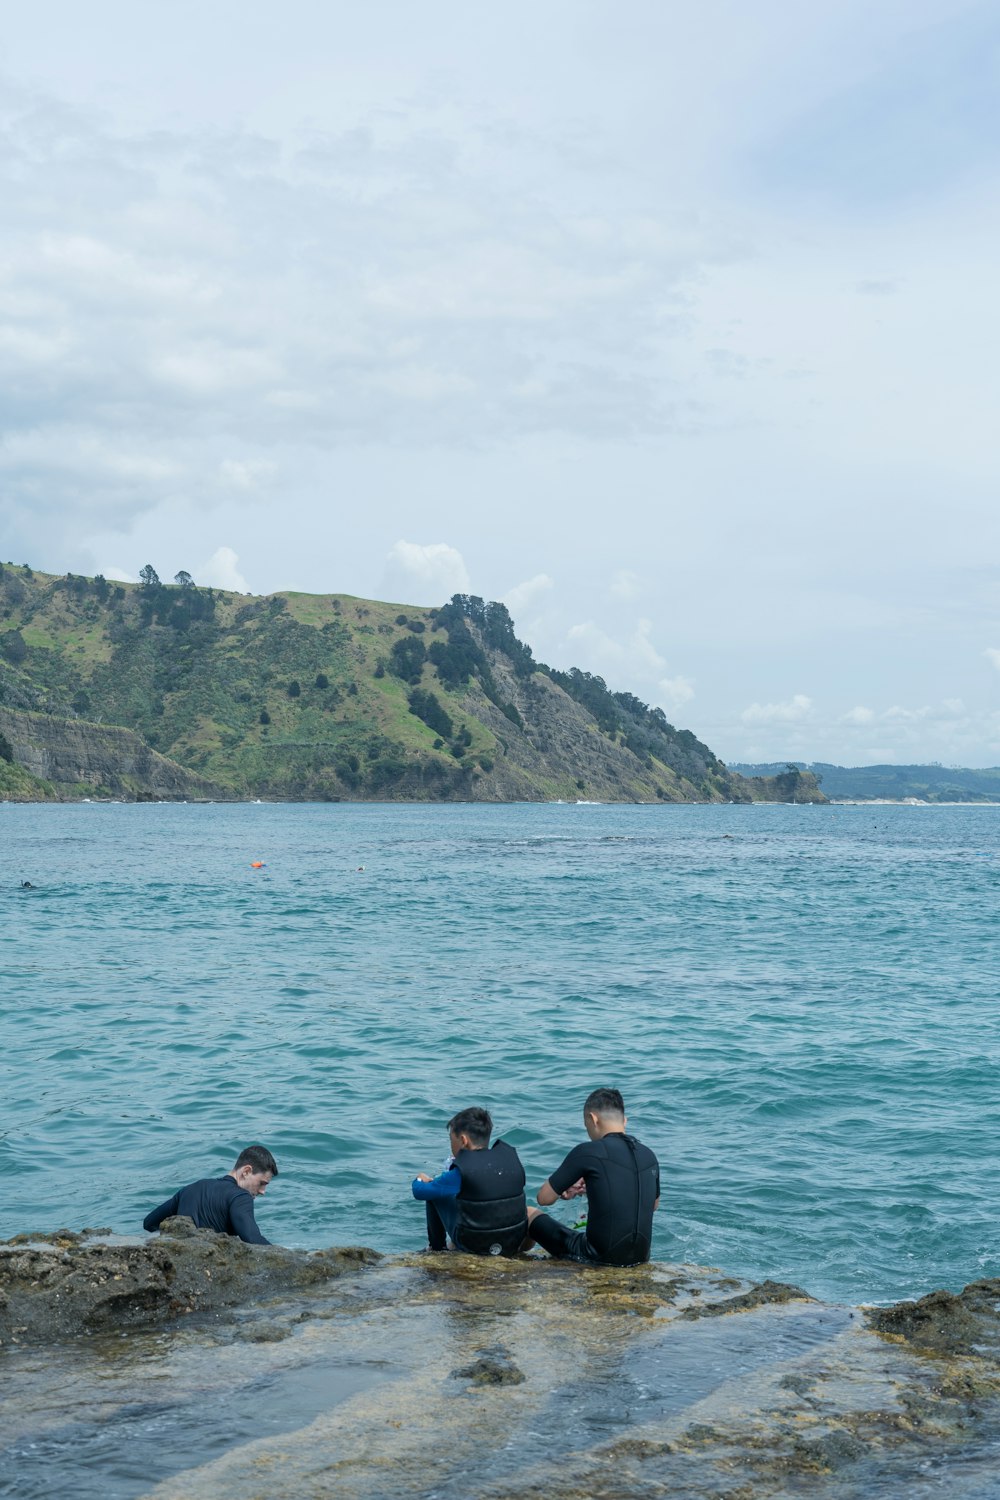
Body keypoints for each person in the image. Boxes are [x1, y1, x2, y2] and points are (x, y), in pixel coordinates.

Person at [528, 1088, 659, 1266]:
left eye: (586, 1125)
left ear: (593, 1119)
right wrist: (594, 1188)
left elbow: (544, 1198)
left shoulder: (588, 1151)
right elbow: (652, 1205)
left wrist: (565, 1190)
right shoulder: (649, 1155)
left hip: (595, 1256)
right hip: (640, 1258)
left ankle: (518, 1261)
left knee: (528, 1214)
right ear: (624, 1121)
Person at [411, 1107, 528, 1257]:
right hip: (512, 1240)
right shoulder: (510, 1158)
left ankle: (437, 1250)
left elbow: (420, 1192)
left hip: (474, 1244)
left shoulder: (462, 1170)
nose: (451, 1145)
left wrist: (419, 1179)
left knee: (434, 1193)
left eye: (451, 1140)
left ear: (464, 1140)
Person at [143, 1144, 278, 1245]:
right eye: (262, 1183)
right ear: (246, 1171)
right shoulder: (241, 1197)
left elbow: (149, 1223)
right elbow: (253, 1240)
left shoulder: (190, 1189)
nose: (262, 1191)